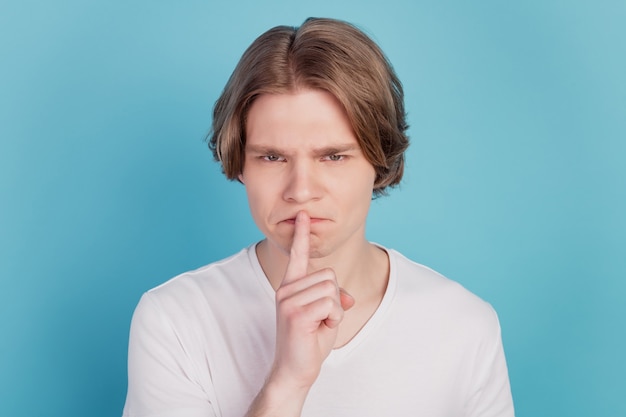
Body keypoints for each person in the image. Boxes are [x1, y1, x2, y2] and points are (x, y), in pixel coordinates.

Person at [122, 17, 515, 417]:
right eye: (273, 157)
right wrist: (287, 382)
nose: (302, 190)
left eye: (333, 157)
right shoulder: (174, 321)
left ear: (379, 162)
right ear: (240, 163)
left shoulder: (465, 326)